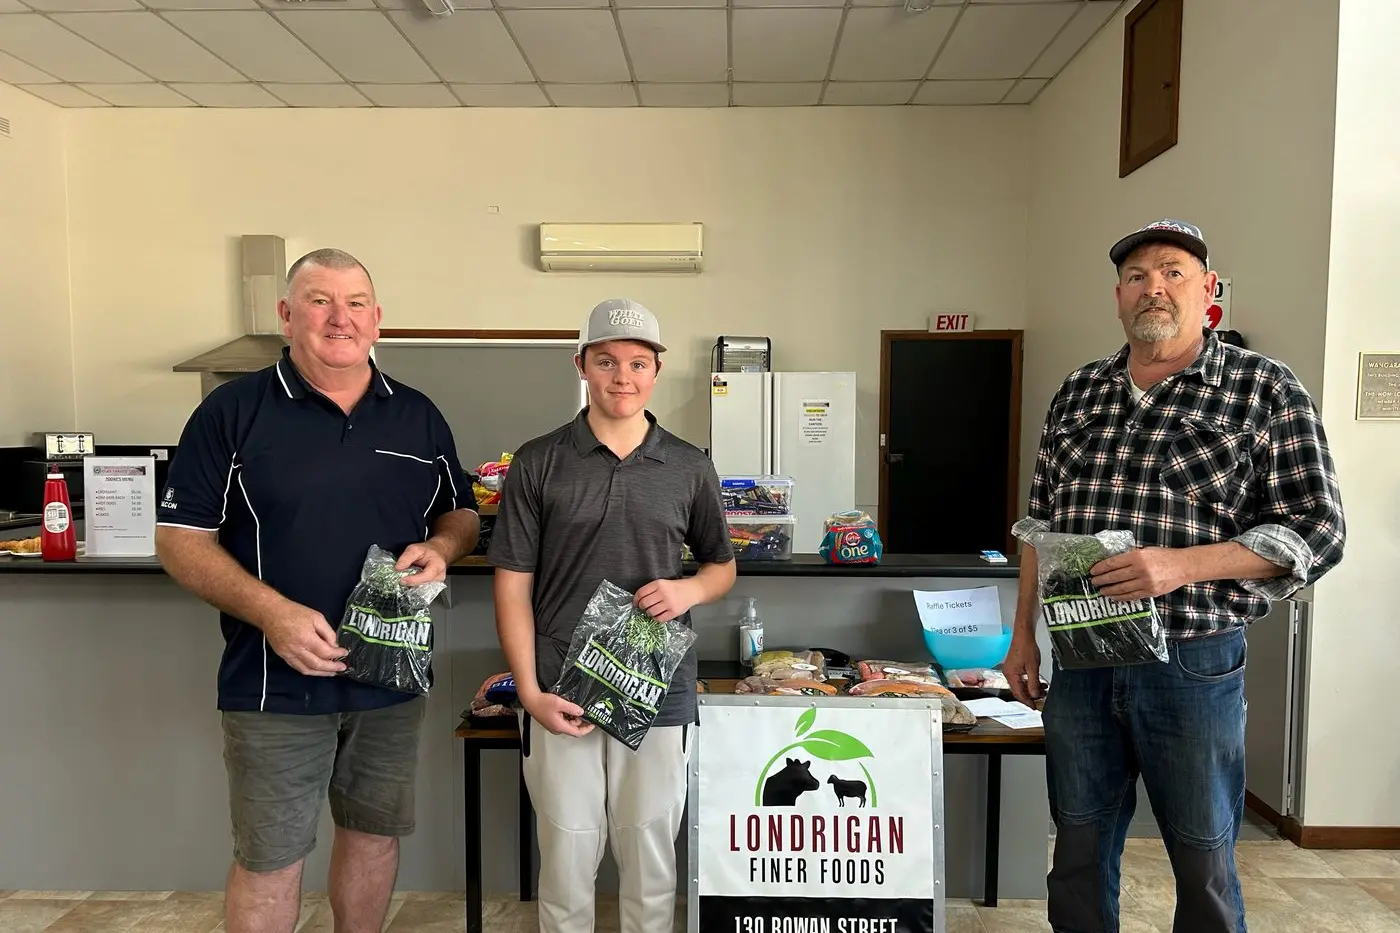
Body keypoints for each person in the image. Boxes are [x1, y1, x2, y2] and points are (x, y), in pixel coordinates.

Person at [1004, 219, 1345, 933]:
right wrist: (1023, 636)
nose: (1152, 287)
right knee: (1078, 843)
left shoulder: (1262, 389)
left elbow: (1318, 529)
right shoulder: (1079, 392)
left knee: (1202, 851)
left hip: (1192, 663)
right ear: (1118, 297)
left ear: (1208, 290)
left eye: (1172, 272)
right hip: (1082, 657)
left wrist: (1179, 566)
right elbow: (1039, 524)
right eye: (1136, 276)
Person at [155, 248, 479, 933]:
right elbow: (180, 541)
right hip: (274, 681)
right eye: (320, 300)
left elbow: (460, 512)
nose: (340, 318)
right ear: (287, 314)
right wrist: (272, 613)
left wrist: (443, 547)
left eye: (355, 303)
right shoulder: (231, 412)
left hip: (389, 675)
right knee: (271, 858)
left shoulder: (417, 415)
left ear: (377, 319)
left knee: (373, 836)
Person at [488, 297, 737, 933]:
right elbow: (511, 585)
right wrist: (530, 692)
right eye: (606, 361)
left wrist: (688, 592)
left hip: (656, 688)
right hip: (560, 688)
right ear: (581, 366)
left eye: (636, 362)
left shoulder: (689, 465)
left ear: (656, 371)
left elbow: (721, 567)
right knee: (567, 856)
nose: (622, 376)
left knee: (650, 854)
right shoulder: (539, 461)